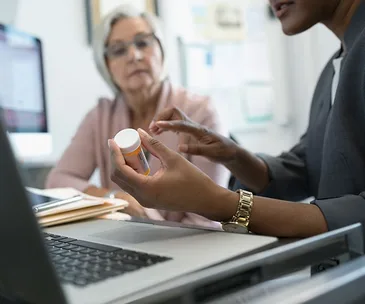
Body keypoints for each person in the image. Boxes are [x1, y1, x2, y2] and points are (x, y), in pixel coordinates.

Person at [109, 0, 365, 238]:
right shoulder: (336, 66)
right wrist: (232, 155)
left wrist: (217, 202)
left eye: (142, 43)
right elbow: (308, 168)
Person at [46, 5, 229, 226]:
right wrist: (113, 198)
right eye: (118, 50)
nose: (134, 56)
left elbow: (207, 220)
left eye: (143, 42)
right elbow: (58, 181)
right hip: (124, 241)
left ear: (162, 50)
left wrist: (150, 221)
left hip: (190, 244)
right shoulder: (100, 116)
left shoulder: (201, 112)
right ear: (106, 66)